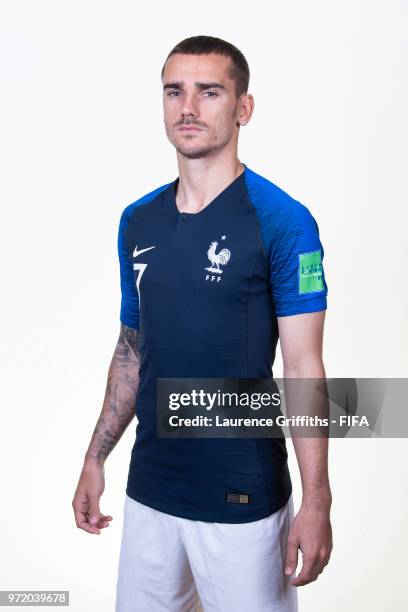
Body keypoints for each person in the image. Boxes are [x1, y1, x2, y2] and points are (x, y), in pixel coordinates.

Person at [72, 35, 333, 612]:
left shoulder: (284, 222)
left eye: (208, 91)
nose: (187, 107)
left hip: (242, 501)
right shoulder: (137, 220)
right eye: (175, 91)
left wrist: (317, 503)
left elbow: (302, 366)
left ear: (243, 108)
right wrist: (96, 458)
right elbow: (132, 349)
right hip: (151, 492)